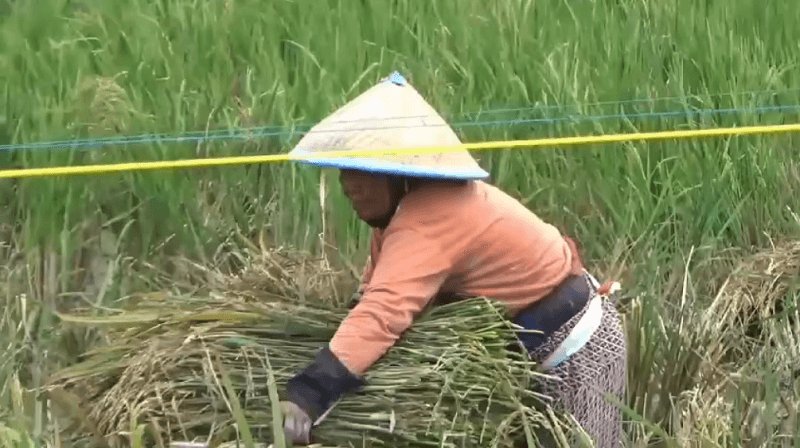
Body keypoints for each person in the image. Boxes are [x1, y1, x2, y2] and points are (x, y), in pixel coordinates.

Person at [279, 72, 627, 447]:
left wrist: (308, 394)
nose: (348, 185)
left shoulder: (432, 212)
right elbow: (373, 295)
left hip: (575, 350)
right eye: (344, 170)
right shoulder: (399, 219)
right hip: (526, 355)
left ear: (398, 173)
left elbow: (384, 312)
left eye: (362, 170)